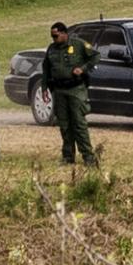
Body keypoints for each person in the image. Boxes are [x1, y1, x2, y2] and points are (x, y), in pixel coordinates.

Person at [43, 20, 98, 167]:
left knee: (79, 124)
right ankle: (68, 156)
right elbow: (46, 70)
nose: (53, 39)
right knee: (64, 125)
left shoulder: (78, 45)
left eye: (55, 36)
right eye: (52, 36)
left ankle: (88, 156)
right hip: (59, 90)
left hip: (75, 89)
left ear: (64, 33)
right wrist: (44, 88)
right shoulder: (52, 49)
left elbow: (95, 56)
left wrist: (83, 68)